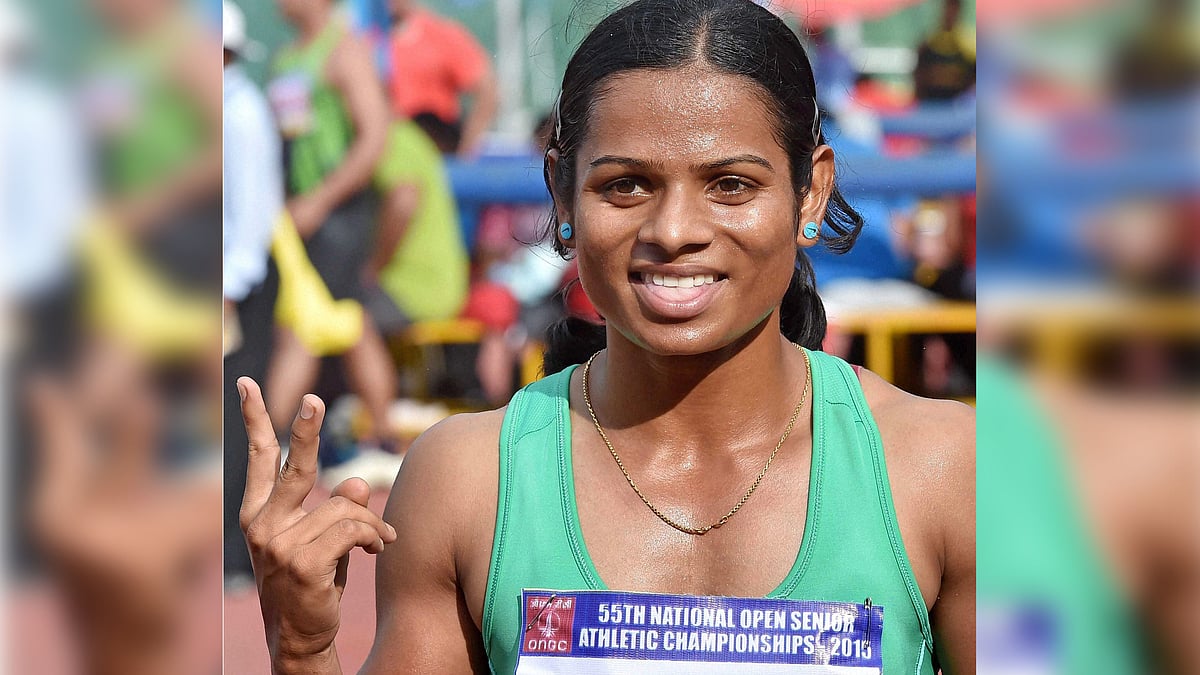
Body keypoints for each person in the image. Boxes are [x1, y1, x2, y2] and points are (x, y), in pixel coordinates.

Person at [237, 1, 975, 672]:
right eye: (625, 184)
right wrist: (303, 648)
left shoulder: (944, 472)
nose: (675, 231)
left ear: (809, 191)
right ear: (562, 194)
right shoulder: (468, 482)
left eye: (731, 185)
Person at [263, 0, 398, 457]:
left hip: (337, 213)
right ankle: (381, 434)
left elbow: (374, 135)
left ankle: (268, 440)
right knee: (346, 324)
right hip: (296, 213)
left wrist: (321, 199)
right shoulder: (287, 58)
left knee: (306, 326)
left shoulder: (344, 52)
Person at [222, 0, 282, 584]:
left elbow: (252, 213)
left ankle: (235, 555)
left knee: (233, 415)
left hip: (234, 288)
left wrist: (229, 287)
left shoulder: (239, 113)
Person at [383, 0, 498, 156]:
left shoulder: (442, 35)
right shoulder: (363, 39)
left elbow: (487, 92)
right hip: (385, 156)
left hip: (434, 151)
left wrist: (465, 151)